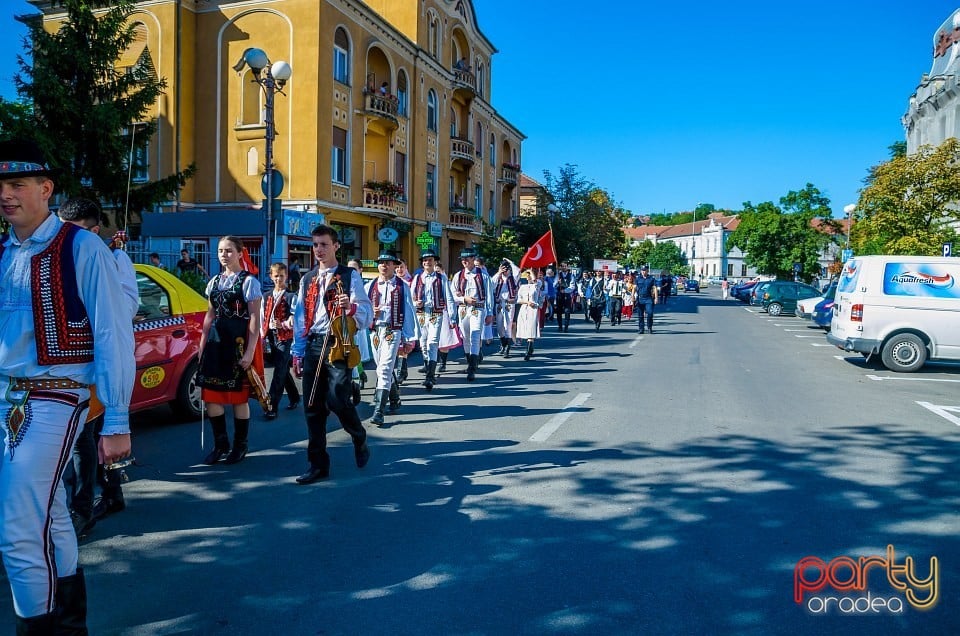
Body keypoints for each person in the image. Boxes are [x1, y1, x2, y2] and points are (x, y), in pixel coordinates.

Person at [0, 138, 134, 632]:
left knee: (15, 527)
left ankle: (34, 627)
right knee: (50, 509)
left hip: (58, 395)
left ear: (46, 188)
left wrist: (116, 420)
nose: (6, 195)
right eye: (1, 186)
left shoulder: (82, 246)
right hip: (7, 396)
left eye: (17, 184)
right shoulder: (3, 252)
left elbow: (113, 335)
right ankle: (69, 622)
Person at [57, 198, 139, 537]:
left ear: (93, 232)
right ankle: (110, 493)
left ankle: (83, 506)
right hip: (72, 367)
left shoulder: (115, 260)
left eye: (74, 233)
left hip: (101, 360)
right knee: (85, 436)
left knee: (85, 437)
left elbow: (125, 309)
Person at [291, 225, 372, 484]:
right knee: (312, 407)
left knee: (337, 399)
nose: (318, 250)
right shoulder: (308, 278)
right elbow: (301, 317)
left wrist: (351, 307)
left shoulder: (349, 276)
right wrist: (298, 352)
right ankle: (317, 465)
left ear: (336, 246)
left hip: (339, 343)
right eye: (315, 245)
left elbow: (366, 314)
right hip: (315, 343)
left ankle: (358, 435)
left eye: (324, 244)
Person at [196, 236, 264, 466]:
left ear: (239, 253)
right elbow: (210, 315)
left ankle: (240, 445)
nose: (224, 255)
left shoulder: (248, 282)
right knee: (211, 396)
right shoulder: (214, 282)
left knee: (237, 397)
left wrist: (249, 352)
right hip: (216, 344)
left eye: (228, 251)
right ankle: (220, 444)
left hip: (237, 343)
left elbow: (255, 319)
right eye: (220, 251)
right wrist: (202, 343)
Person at [365, 251, 417, 425]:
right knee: (381, 367)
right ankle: (395, 399)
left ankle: (378, 411)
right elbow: (362, 309)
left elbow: (409, 312)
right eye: (381, 263)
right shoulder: (370, 286)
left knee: (385, 368)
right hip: (375, 332)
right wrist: (371, 312)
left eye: (388, 263)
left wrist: (409, 337)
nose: (384, 266)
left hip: (393, 331)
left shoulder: (402, 287)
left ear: (395, 265)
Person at [411, 248, 454, 390]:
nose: (427, 262)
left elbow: (449, 297)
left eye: (429, 260)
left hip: (436, 312)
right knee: (423, 342)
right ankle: (428, 368)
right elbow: (410, 298)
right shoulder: (418, 278)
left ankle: (430, 376)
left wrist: (452, 317)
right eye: (424, 260)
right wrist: (415, 303)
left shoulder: (441, 278)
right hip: (421, 313)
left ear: (435, 262)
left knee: (433, 342)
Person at [262, 263, 300, 419]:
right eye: (276, 276)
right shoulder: (266, 296)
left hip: (285, 336)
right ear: (271, 276)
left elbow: (294, 317)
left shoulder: (291, 296)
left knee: (279, 370)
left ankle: (272, 405)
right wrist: (262, 336)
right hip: (270, 335)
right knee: (282, 367)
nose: (279, 279)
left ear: (286, 277)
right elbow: (262, 318)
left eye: (282, 276)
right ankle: (295, 397)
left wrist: (284, 323)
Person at [450, 247, 492, 382]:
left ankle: (472, 368)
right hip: (463, 309)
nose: (464, 261)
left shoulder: (483, 275)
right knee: (465, 337)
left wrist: (490, 312)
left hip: (478, 308)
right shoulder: (458, 276)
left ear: (474, 259)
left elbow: (489, 296)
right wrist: (463, 299)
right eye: (462, 259)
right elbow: (451, 296)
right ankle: (470, 362)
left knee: (475, 335)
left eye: (467, 259)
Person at [490, 259, 518, 356]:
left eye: (506, 269)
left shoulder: (513, 277)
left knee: (508, 325)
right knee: (499, 326)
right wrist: (499, 272)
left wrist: (510, 262)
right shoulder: (498, 277)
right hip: (499, 303)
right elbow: (491, 285)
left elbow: (517, 270)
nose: (505, 271)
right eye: (503, 268)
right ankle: (503, 344)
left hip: (509, 303)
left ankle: (507, 348)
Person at [515, 270, 542, 360]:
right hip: (524, 308)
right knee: (524, 328)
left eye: (530, 275)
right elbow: (518, 300)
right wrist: (527, 302)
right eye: (527, 275)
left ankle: (528, 350)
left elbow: (536, 282)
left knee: (531, 328)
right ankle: (530, 347)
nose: (528, 277)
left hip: (533, 309)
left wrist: (531, 271)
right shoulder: (522, 287)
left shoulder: (537, 285)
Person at [635, 265, 659, 334]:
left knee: (650, 313)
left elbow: (655, 288)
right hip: (640, 298)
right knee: (640, 315)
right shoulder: (638, 278)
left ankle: (649, 327)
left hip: (648, 298)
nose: (643, 271)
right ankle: (641, 329)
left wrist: (656, 298)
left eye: (645, 270)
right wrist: (632, 296)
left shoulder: (651, 278)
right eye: (642, 270)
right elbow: (634, 287)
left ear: (647, 271)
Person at [555, 263, 576, 332]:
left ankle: (566, 326)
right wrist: (557, 283)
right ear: (561, 267)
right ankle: (560, 326)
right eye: (562, 266)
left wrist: (565, 290)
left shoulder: (571, 275)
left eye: (565, 266)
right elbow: (554, 285)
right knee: (559, 312)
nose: (564, 267)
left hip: (567, 295)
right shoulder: (558, 275)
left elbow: (572, 286)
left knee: (567, 311)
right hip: (559, 296)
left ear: (567, 267)